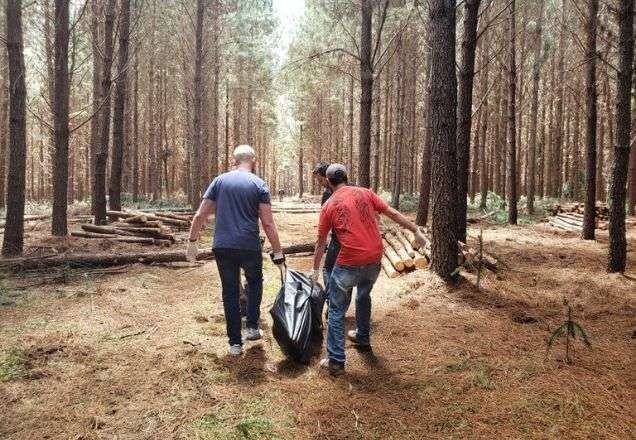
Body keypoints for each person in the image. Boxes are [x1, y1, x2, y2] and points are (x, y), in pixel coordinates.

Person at [310, 164, 426, 376]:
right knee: (363, 295)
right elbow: (392, 213)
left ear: (328, 181)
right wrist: (415, 230)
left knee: (336, 310)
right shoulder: (365, 192)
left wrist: (316, 270)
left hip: (349, 262)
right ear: (346, 176)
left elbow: (320, 243)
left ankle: (336, 361)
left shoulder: (329, 204)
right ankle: (362, 337)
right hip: (374, 259)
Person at [186, 145, 286, 356]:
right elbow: (268, 223)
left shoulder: (219, 181)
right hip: (249, 245)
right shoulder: (259, 184)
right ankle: (251, 327)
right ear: (254, 160)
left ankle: (234, 344)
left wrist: (192, 242)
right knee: (255, 282)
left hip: (223, 246)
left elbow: (200, 215)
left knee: (230, 292)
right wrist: (278, 252)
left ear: (234, 161)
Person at [312, 161, 340, 285]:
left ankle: (330, 300)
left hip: (338, 239)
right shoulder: (353, 188)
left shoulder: (328, 194)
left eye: (320, 180)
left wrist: (315, 269)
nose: (320, 183)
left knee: (328, 269)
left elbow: (324, 228)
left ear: (327, 177)